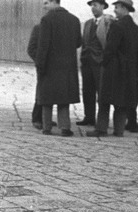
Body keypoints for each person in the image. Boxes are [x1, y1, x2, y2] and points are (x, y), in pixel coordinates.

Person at [87, 0, 138, 138]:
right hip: (128, 70)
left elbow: (110, 48)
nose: (115, 10)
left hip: (113, 69)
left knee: (104, 100)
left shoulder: (117, 26)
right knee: (121, 101)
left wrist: (104, 62)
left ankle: (101, 129)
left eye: (116, 7)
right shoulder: (136, 29)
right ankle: (119, 130)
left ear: (123, 8)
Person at [34, 0, 82, 137]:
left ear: (54, 2)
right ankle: (65, 127)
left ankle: (46, 127)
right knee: (64, 98)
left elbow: (43, 45)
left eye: (46, 3)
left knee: (47, 97)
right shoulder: (74, 19)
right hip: (67, 66)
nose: (44, 6)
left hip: (50, 65)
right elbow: (79, 42)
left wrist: (40, 65)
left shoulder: (46, 19)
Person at [78, 0, 113, 127]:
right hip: (87, 62)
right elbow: (84, 42)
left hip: (100, 63)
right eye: (92, 5)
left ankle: (101, 120)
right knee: (87, 91)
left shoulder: (108, 22)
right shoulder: (87, 23)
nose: (93, 8)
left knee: (101, 92)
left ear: (103, 7)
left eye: (96, 5)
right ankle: (89, 117)